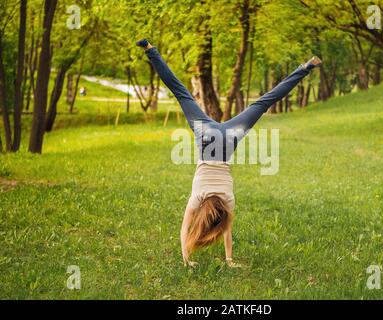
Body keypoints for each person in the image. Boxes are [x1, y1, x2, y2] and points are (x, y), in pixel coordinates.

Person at [136, 39, 321, 267]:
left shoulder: (228, 201)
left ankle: (305, 68)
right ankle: (150, 50)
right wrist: (187, 260)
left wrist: (228, 259)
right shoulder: (198, 199)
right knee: (182, 93)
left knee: (263, 102)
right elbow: (185, 229)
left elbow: (226, 232)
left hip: (229, 138)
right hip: (206, 137)